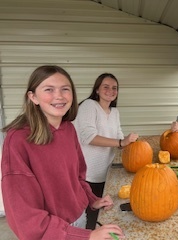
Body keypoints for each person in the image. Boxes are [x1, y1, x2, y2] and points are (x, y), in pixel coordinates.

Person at [1, 65, 125, 239]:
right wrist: (85, 236)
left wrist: (91, 199)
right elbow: (24, 215)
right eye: (49, 89)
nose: (59, 96)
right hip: (51, 233)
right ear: (33, 97)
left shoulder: (68, 129)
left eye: (65, 89)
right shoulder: (18, 139)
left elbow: (77, 177)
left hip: (78, 217)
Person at [73, 73, 138, 230]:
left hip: (106, 173)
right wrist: (121, 142)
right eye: (106, 87)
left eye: (114, 88)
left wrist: (134, 146)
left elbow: (119, 138)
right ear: (97, 89)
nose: (111, 90)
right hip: (88, 174)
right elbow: (89, 137)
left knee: (104, 211)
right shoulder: (89, 106)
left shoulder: (114, 112)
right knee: (91, 215)